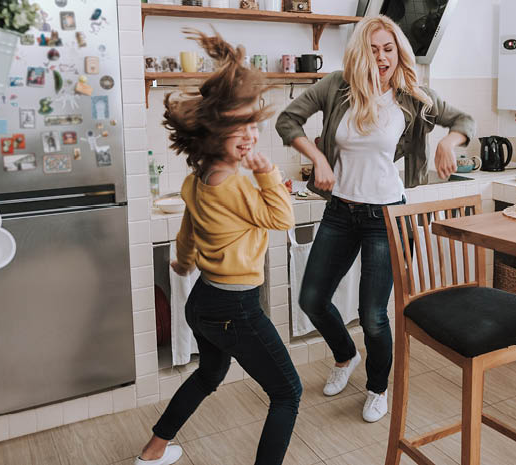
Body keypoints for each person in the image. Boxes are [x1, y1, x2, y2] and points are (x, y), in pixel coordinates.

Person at [276, 15, 475, 423]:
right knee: (311, 299)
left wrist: (449, 144)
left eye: (389, 48)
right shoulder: (336, 86)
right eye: (373, 48)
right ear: (359, 52)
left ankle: (378, 387)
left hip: (386, 216)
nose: (381, 57)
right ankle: (345, 356)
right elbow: (287, 120)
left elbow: (463, 121)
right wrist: (316, 160)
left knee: (373, 315)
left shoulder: (411, 95)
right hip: (340, 211)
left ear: (398, 52)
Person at [135, 28, 300, 465]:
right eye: (236, 127)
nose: (248, 135)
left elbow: (187, 228)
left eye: (251, 123)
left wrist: (183, 261)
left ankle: (154, 450)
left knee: (209, 374)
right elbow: (283, 219)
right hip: (236, 310)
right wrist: (267, 176)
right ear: (210, 134)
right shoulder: (240, 187)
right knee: (287, 392)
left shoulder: (197, 180)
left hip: (203, 301)